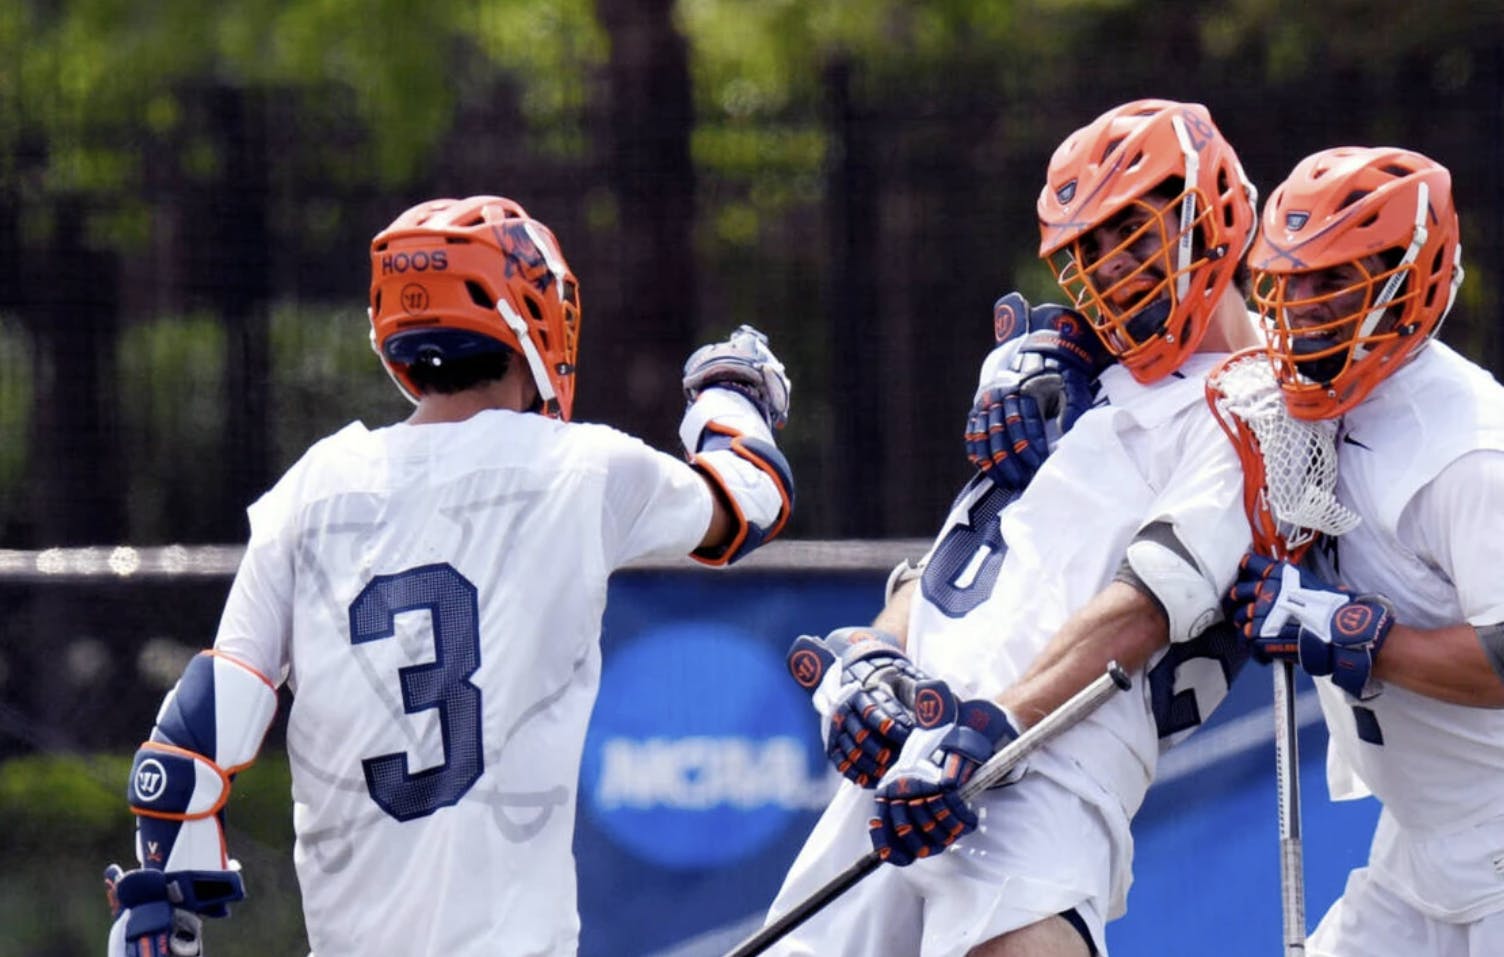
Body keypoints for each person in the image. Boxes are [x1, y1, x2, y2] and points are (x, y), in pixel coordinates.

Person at [101, 195, 796, 956]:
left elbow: (189, 745)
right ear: (535, 315)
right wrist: (733, 395)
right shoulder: (583, 470)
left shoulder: (315, 485)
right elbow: (751, 502)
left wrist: (166, 909)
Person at [767, 98, 1264, 957]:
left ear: (1207, 214)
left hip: (1046, 772)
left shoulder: (1257, 408)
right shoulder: (1062, 376)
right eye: (1091, 254)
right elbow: (958, 566)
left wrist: (991, 725)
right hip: (909, 770)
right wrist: (873, 659)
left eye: (1134, 235)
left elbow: (1146, 603)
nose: (1114, 272)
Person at [1225, 146, 1504, 957]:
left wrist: (1359, 634)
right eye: (1289, 280)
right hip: (1419, 853)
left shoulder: (1468, 451)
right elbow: (1220, 360)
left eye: (1331, 281)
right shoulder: (1317, 392)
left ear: (1403, 283)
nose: (1301, 308)